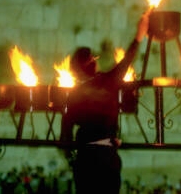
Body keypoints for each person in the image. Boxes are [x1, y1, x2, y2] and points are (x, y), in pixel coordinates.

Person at [60, 11, 149, 194]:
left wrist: (71, 157)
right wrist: (139, 35)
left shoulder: (73, 94)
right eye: (95, 57)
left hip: (84, 159)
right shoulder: (108, 82)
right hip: (106, 158)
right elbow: (127, 60)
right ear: (91, 63)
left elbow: (66, 130)